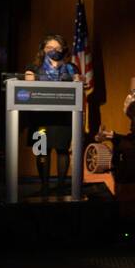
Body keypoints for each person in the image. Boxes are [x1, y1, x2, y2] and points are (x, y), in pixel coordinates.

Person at [22, 34, 81, 192]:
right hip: (40, 116)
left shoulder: (71, 68)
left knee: (62, 150)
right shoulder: (33, 67)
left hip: (63, 117)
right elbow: (29, 89)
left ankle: (61, 185)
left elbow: (78, 89)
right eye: (49, 48)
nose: (54, 51)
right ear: (43, 49)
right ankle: (45, 186)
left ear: (63, 49)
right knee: (42, 150)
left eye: (57, 48)